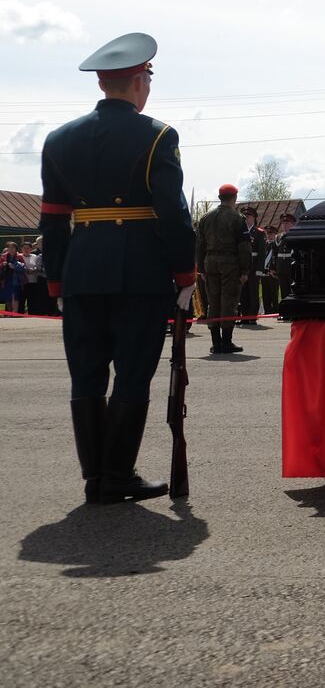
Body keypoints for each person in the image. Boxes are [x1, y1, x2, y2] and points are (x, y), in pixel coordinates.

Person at [38, 32, 197, 504]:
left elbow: (52, 218)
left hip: (83, 269)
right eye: (147, 77)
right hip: (140, 273)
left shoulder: (58, 139)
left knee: (86, 373)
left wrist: (57, 278)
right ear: (138, 81)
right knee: (132, 372)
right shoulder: (158, 135)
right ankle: (118, 473)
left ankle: (95, 478)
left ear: (102, 83)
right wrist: (185, 275)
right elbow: (172, 214)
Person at [196, 184, 252, 354]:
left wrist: (202, 269)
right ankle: (226, 342)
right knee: (229, 300)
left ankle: (216, 342)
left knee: (213, 300)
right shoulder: (237, 219)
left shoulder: (205, 218)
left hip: (210, 262)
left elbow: (200, 246)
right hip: (230, 263)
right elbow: (244, 247)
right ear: (234, 198)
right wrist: (244, 271)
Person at [237, 204, 266, 326]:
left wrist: (260, 269)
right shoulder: (241, 232)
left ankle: (252, 316)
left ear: (253, 218)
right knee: (243, 292)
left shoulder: (259, 233)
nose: (246, 219)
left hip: (254, 266)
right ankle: (244, 315)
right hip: (243, 266)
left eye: (248, 216)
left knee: (253, 291)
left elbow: (262, 253)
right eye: (244, 217)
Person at [0, 241, 24, 313]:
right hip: (5, 279)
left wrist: (14, 267)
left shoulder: (19, 256)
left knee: (15, 296)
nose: (11, 249)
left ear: (16, 249)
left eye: (13, 247)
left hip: (16, 279)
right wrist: (2, 265)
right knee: (7, 297)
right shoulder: (3, 256)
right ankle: (10, 313)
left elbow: (23, 267)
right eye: (9, 247)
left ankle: (15, 313)